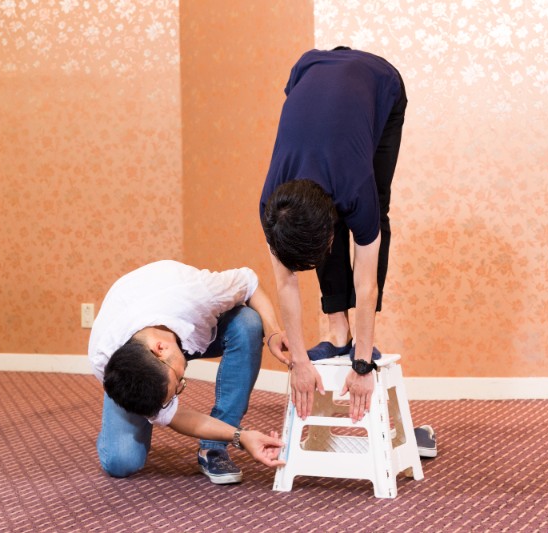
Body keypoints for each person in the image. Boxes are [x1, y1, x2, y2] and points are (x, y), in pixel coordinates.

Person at [259, 47, 436, 457]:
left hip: (379, 81)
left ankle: (350, 339)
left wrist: (362, 362)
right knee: (327, 215)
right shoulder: (272, 207)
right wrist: (299, 361)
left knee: (374, 208)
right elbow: (285, 283)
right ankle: (336, 330)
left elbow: (366, 282)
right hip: (309, 67)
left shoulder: (356, 190)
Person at [88, 260, 291, 483]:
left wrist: (273, 331)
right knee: (121, 462)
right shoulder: (104, 359)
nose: (180, 387)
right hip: (142, 340)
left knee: (248, 323)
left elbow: (250, 282)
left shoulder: (201, 294)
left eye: (178, 383)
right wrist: (241, 437)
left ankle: (213, 449)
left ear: (160, 349)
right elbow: (172, 415)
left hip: (189, 319)